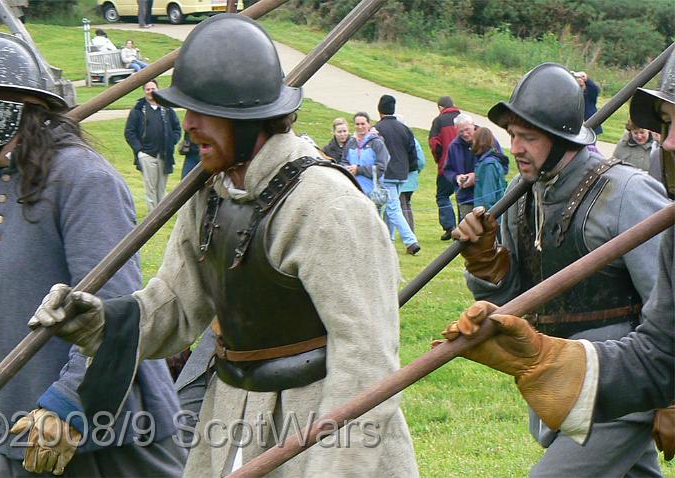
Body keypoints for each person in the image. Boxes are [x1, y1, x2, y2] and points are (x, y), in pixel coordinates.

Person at [28, 14, 418, 477]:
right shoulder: (212, 194)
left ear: (250, 119)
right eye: (187, 110)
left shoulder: (326, 204)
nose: (188, 125)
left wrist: (334, 467)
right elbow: (175, 306)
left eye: (203, 112)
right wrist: (99, 322)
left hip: (318, 425)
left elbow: (367, 361)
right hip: (231, 412)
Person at [0, 32, 184, 477]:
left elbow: (113, 314)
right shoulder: (0, 182)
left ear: (10, 104)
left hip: (102, 435)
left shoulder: (83, 180)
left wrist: (68, 404)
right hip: (16, 431)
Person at [440, 52, 675, 466]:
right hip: (555, 379)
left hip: (621, 390)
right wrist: (485, 263)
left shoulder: (626, 192)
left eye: (528, 136)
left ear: (561, 136)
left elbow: (668, 301)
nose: (515, 148)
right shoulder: (522, 194)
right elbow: (518, 302)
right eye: (512, 134)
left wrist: (670, 398)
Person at [124, 79, 181, 213]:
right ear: (144, 91)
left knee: (161, 187)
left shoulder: (166, 109)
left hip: (165, 154)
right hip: (147, 155)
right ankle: (152, 216)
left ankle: (161, 214)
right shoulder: (138, 110)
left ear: (158, 89)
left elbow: (177, 128)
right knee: (151, 188)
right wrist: (139, 150)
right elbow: (129, 132)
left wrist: (172, 141)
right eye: (148, 89)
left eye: (153, 89)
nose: (151, 91)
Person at [374, 95, 421, 255]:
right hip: (402, 174)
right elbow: (412, 151)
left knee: (393, 209)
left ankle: (411, 241)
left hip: (387, 173)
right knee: (391, 208)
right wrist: (410, 169)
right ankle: (388, 239)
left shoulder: (377, 129)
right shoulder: (404, 128)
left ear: (379, 110)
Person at [429, 96, 461, 240]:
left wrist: (439, 159)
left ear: (441, 108)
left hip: (446, 166)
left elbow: (435, 144)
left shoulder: (439, 121)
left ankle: (450, 227)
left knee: (442, 196)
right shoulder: (462, 118)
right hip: (464, 165)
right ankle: (464, 226)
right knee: (463, 197)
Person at [340, 111, 389, 196]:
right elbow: (343, 161)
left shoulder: (377, 143)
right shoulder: (350, 143)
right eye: (357, 124)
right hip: (352, 191)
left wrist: (358, 170)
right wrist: (348, 169)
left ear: (369, 124)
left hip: (372, 192)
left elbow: (381, 168)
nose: (360, 127)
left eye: (363, 124)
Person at [471, 127, 508, 210]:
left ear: (479, 141)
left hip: (489, 216)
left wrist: (486, 219)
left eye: (474, 140)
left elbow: (489, 197)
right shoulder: (485, 161)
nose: (472, 143)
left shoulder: (488, 165)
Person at [574, 71, 603, 136]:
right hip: (577, 125)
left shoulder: (590, 95)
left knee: (589, 145)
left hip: (590, 123)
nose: (580, 81)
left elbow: (594, 88)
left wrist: (586, 79)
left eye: (582, 80)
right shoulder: (575, 93)